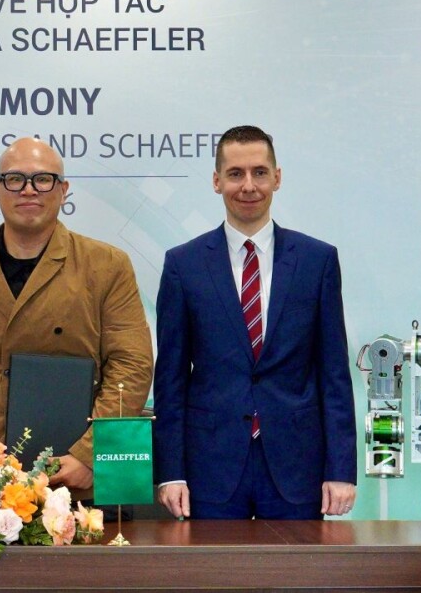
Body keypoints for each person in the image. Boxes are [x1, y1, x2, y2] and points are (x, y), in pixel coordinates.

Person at [0, 137, 152, 492]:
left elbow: (131, 367)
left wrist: (90, 454)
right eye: (14, 179)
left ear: (63, 189)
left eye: (43, 179)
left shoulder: (106, 265)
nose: (28, 190)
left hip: (68, 472)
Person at [153, 125, 357, 520]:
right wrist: (171, 471)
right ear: (216, 181)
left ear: (277, 178)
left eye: (260, 172)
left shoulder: (318, 261)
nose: (249, 185)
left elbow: (334, 373)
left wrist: (341, 469)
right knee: (214, 581)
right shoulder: (183, 265)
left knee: (296, 581)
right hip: (209, 467)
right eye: (235, 174)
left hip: (297, 465)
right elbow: (171, 380)